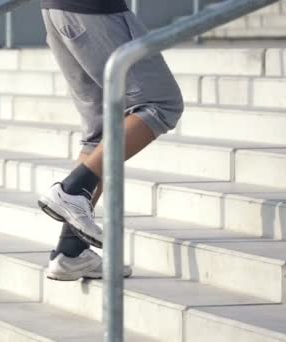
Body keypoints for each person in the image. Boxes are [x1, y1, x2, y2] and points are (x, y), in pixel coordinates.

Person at [38, 0, 184, 281]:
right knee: (161, 104)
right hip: (94, 11)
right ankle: (72, 190)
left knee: (103, 129)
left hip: (57, 10)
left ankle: (72, 252)